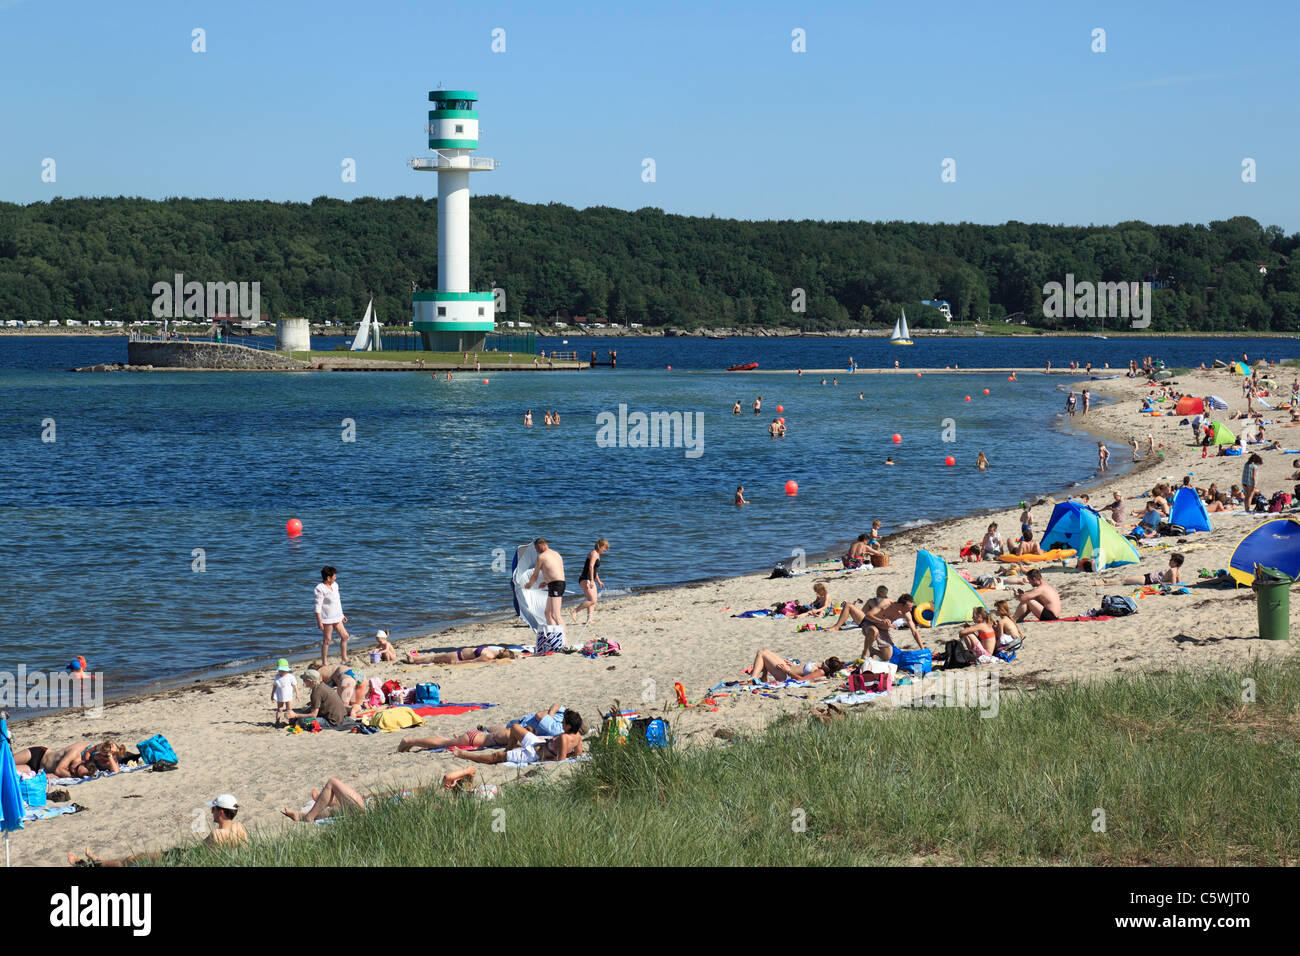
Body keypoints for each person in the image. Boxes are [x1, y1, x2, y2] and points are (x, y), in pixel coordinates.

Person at [68, 794, 247, 864]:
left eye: (214, 809)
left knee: (131, 860)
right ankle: (96, 861)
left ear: (221, 812)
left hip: (182, 859)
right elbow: (245, 850)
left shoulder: (217, 834)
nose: (211, 811)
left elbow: (200, 856)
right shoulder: (239, 828)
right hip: (186, 856)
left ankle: (92, 863)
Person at [452, 710, 586, 767]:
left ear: (568, 726)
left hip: (533, 754)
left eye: (563, 723)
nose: (561, 724)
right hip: (539, 743)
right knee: (515, 727)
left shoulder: (564, 738)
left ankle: (464, 755)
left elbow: (560, 759)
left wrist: (542, 759)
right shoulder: (578, 737)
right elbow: (578, 754)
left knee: (495, 757)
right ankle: (508, 750)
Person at [285, 669, 356, 730]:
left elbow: (313, 715)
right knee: (305, 713)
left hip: (333, 721)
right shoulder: (322, 686)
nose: (303, 682)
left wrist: (295, 715)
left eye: (304, 680)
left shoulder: (316, 692)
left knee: (301, 721)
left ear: (310, 681)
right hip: (341, 716)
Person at [859, 594, 922, 661]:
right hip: (870, 624)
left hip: (883, 630)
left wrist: (922, 648)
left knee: (887, 656)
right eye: (908, 607)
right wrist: (881, 621)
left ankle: (873, 651)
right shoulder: (886, 604)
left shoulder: (906, 613)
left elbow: (914, 631)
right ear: (901, 605)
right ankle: (865, 653)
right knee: (874, 631)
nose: (910, 609)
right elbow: (868, 615)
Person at [314, 565, 351, 665]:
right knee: (327, 640)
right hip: (327, 618)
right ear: (328, 578)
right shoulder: (320, 588)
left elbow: (337, 602)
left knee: (345, 636)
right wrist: (319, 621)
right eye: (334, 576)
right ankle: (324, 662)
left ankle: (344, 658)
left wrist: (342, 614)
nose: (336, 577)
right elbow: (318, 606)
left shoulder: (335, 585)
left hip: (337, 616)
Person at [527, 538, 566, 627]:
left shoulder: (542, 556)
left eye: (536, 548)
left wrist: (529, 585)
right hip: (557, 583)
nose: (537, 551)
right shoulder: (556, 554)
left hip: (556, 585)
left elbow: (535, 574)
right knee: (547, 613)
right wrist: (546, 582)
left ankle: (564, 640)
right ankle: (552, 635)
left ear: (541, 545)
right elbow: (555, 570)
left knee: (556, 615)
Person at [571, 538, 609, 625]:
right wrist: (592, 580)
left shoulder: (598, 555)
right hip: (585, 579)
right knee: (593, 600)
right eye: (605, 548)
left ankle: (589, 620)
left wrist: (598, 580)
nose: (605, 550)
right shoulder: (594, 553)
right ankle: (575, 611)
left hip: (590, 579)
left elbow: (595, 570)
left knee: (592, 600)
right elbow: (591, 567)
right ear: (601, 546)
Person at [745, 651, 845, 683]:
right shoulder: (820, 669)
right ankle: (763, 677)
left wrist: (786, 671)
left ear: (827, 668)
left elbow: (802, 680)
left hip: (785, 675)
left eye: (824, 663)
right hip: (787, 669)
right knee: (765, 651)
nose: (822, 663)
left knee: (761, 654)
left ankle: (753, 679)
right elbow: (802, 670)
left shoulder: (821, 672)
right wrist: (793, 666)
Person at [1106, 553, 1184, 587]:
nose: (1169, 561)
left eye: (1171, 560)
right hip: (1148, 577)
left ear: (1175, 563)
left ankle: (1102, 584)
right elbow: (1179, 582)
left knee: (1124, 581)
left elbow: (1174, 584)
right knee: (1124, 580)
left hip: (1148, 580)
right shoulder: (1177, 571)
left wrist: (1161, 582)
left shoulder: (1173, 571)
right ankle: (1108, 581)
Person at [422, 645, 517, 665]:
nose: (503, 648)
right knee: (434, 658)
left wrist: (456, 662)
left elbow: (472, 661)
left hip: (458, 656)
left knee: (434, 658)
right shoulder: (492, 651)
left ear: (503, 652)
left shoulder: (488, 656)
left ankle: (414, 660)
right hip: (459, 653)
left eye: (505, 649)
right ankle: (414, 659)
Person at [272, 659, 298, 727]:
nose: (281, 672)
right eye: (280, 671)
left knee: (289, 709)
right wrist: (272, 694)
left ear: (287, 670)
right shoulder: (277, 677)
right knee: (279, 709)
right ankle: (277, 722)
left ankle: (291, 722)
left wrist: (297, 694)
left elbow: (295, 685)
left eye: (283, 671)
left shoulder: (290, 677)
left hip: (289, 696)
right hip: (280, 696)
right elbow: (274, 686)